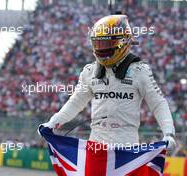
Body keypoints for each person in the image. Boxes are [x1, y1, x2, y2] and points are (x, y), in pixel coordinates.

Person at [40, 15, 176, 150]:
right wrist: (53, 122)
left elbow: (158, 103)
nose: (102, 49)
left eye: (107, 44)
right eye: (98, 44)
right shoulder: (89, 71)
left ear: (123, 42)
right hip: (96, 146)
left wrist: (168, 133)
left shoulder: (140, 71)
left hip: (126, 148)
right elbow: (75, 102)